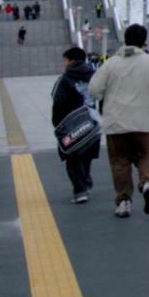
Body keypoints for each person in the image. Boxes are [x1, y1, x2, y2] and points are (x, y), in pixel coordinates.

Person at [89, 24, 149, 218]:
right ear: (144, 42)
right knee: (145, 155)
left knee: (120, 162)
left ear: (124, 40)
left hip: (115, 125)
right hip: (141, 123)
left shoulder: (111, 63)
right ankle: (148, 183)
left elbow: (94, 89)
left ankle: (124, 201)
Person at [52, 47, 101, 203]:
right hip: (92, 122)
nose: (64, 63)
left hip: (73, 124)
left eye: (65, 60)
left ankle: (80, 191)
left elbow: (58, 101)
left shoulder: (65, 78)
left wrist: (58, 123)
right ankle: (85, 181)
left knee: (73, 156)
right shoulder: (94, 75)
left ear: (71, 60)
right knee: (86, 155)